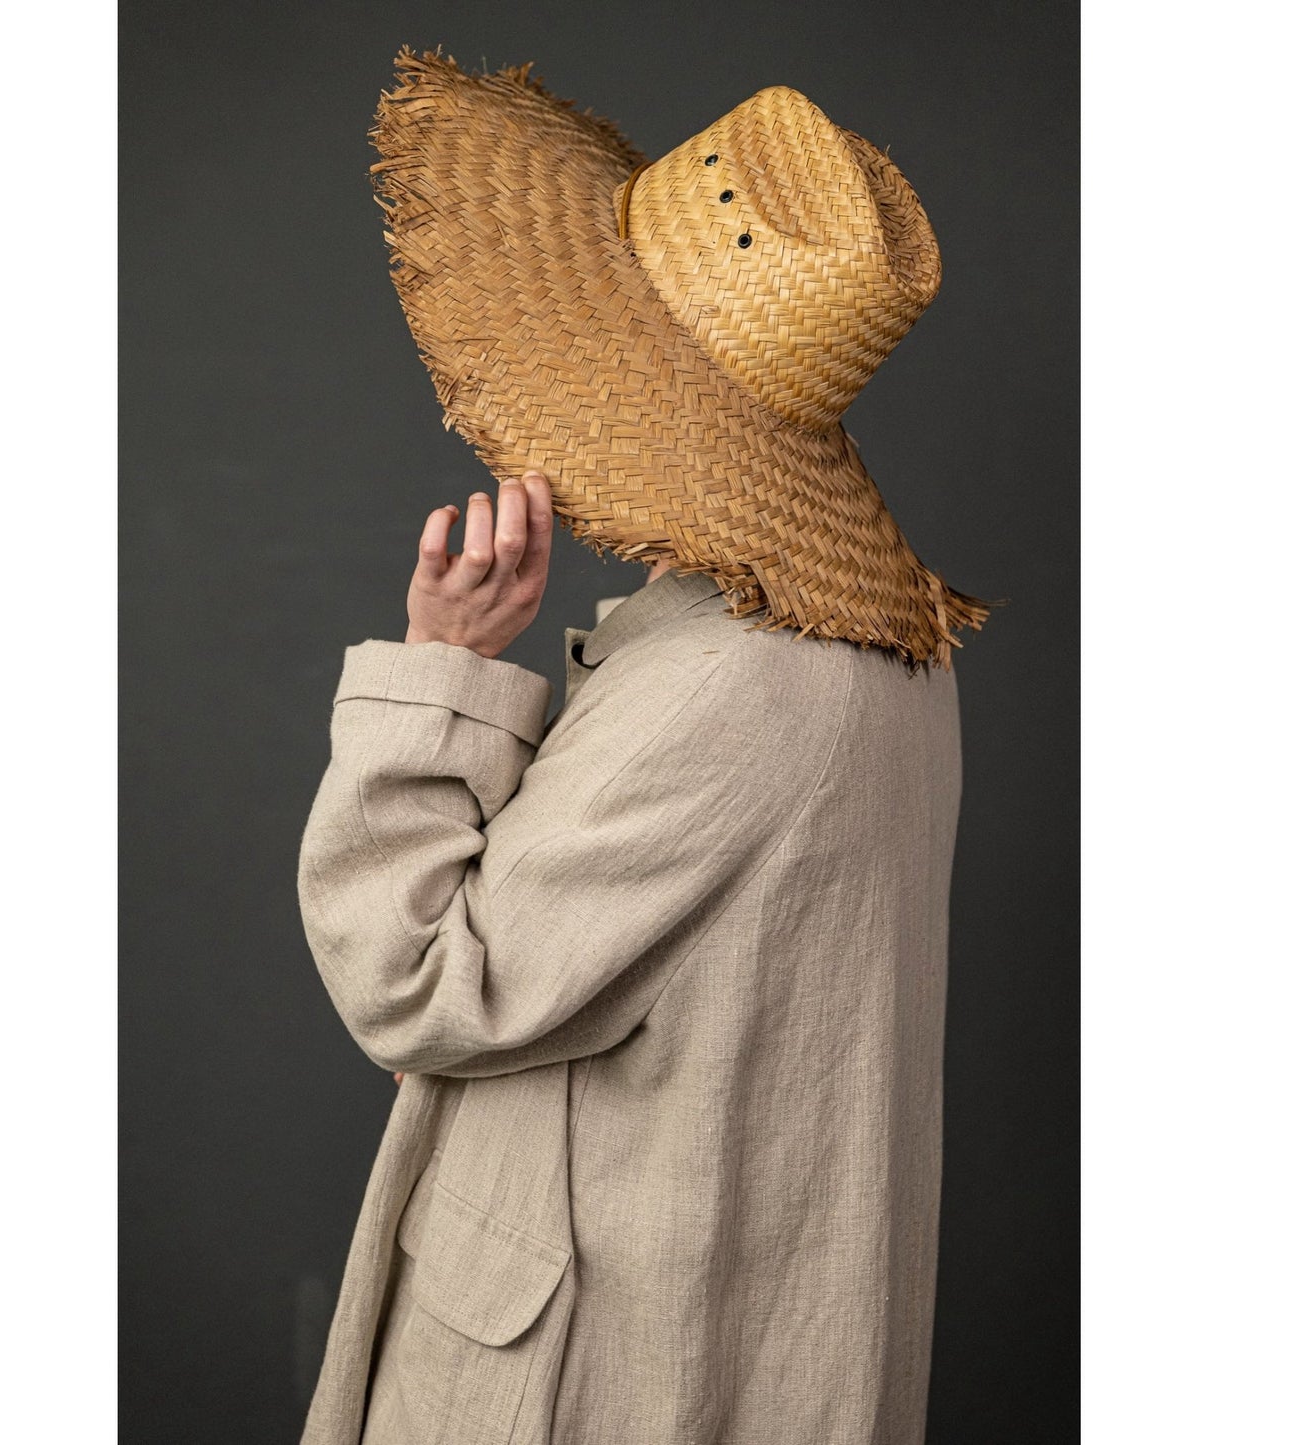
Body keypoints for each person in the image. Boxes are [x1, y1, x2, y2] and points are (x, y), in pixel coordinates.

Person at [295, 45, 994, 1445]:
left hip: (590, 1373)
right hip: (730, 1332)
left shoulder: (723, 681)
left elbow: (422, 985)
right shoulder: (886, 655)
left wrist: (442, 666)